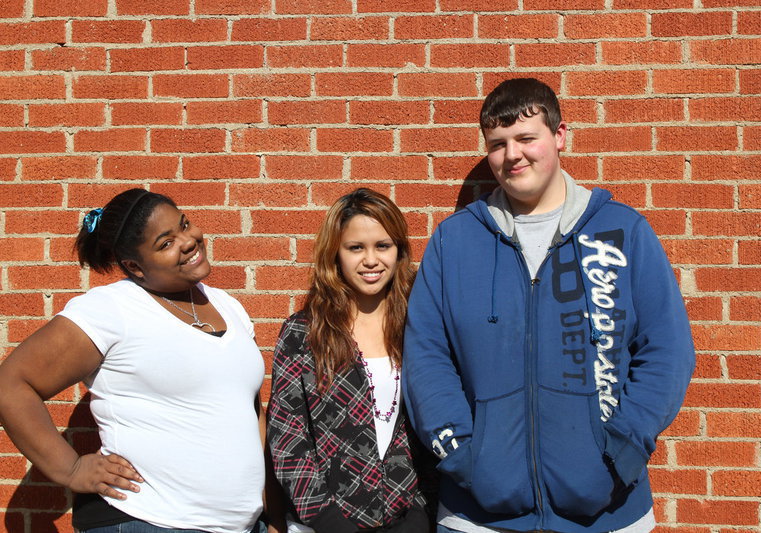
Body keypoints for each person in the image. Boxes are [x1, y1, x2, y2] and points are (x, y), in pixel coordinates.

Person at [402, 77, 696, 532]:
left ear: (559, 137)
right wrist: (461, 454)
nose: (512, 154)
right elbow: (427, 356)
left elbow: (667, 352)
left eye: (526, 138)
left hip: (609, 514)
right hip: (478, 516)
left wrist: (624, 449)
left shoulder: (621, 233)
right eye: (497, 144)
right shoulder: (454, 241)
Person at [0, 188, 284, 533]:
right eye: (166, 243)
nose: (188, 240)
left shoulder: (228, 306)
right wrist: (71, 469)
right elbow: (11, 384)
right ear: (134, 266)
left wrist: (274, 514)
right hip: (149, 520)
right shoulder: (111, 309)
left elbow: (249, 413)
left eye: (185, 224)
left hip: (241, 526)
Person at [267, 188, 432, 533]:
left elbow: (434, 420)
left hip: (409, 521)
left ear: (399, 250)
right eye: (356, 248)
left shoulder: (421, 325)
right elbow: (287, 438)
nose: (370, 260)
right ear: (335, 254)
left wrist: (421, 509)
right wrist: (328, 521)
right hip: (326, 525)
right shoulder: (304, 333)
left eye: (382, 246)